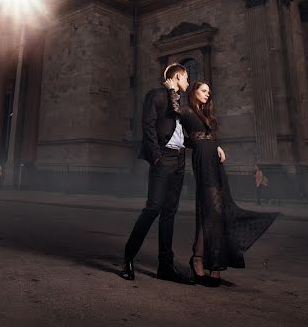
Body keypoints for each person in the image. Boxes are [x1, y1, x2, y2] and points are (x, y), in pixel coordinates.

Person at [177, 81, 278, 286]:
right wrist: (196, 143)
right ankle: (200, 260)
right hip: (202, 161)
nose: (208, 94)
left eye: (209, 92)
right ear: (194, 91)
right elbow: (176, 135)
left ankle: (212, 264)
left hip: (215, 162)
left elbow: (212, 137)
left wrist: (218, 146)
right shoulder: (185, 112)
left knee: (217, 211)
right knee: (211, 211)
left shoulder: (208, 115)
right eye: (204, 91)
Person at [119, 63, 194, 285]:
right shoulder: (157, 95)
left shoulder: (179, 101)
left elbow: (182, 130)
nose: (188, 83)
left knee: (169, 213)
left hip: (179, 160)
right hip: (163, 158)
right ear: (178, 76)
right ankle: (127, 259)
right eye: (186, 78)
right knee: (153, 208)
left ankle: (165, 267)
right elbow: (148, 126)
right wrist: (157, 157)